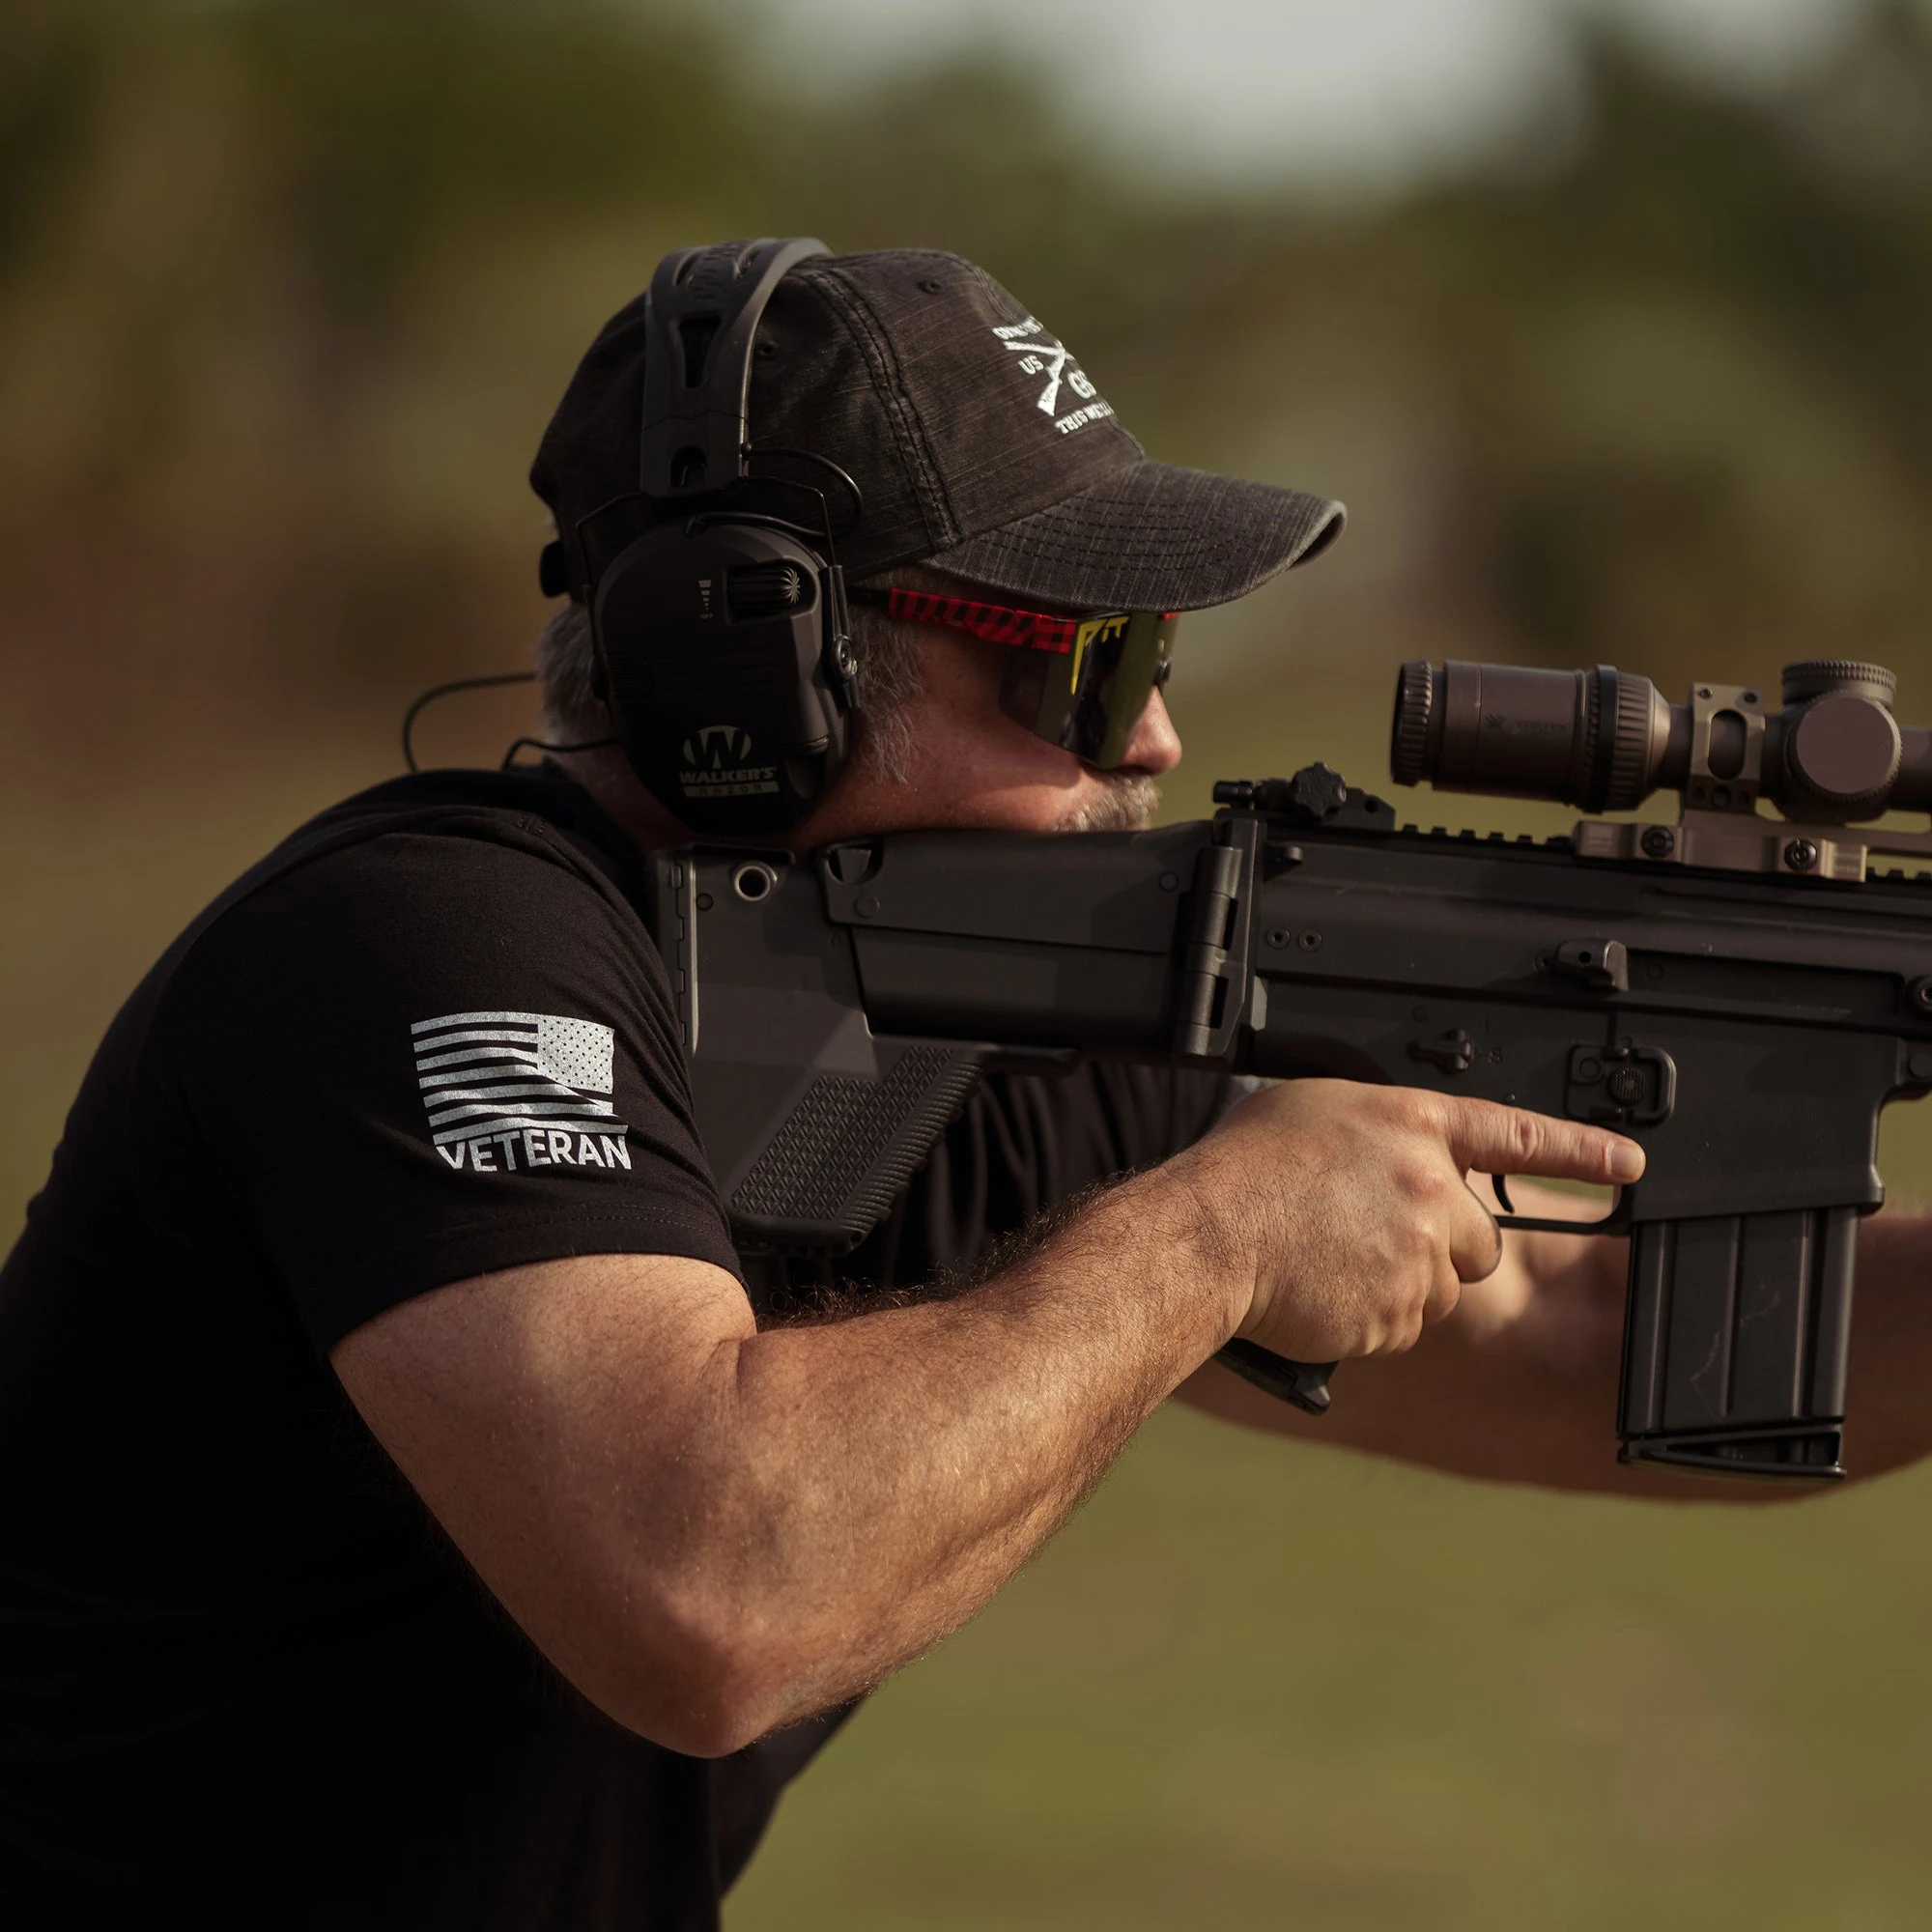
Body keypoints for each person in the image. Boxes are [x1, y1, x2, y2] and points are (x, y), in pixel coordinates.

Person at [2, 244, 1927, 1929]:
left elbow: (1590, 1336)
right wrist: (1222, 1228)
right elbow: (708, 1582)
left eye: (1152, 649)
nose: (1160, 730)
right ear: (751, 669)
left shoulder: (980, 1019)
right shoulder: (420, 939)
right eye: (1085, 662)